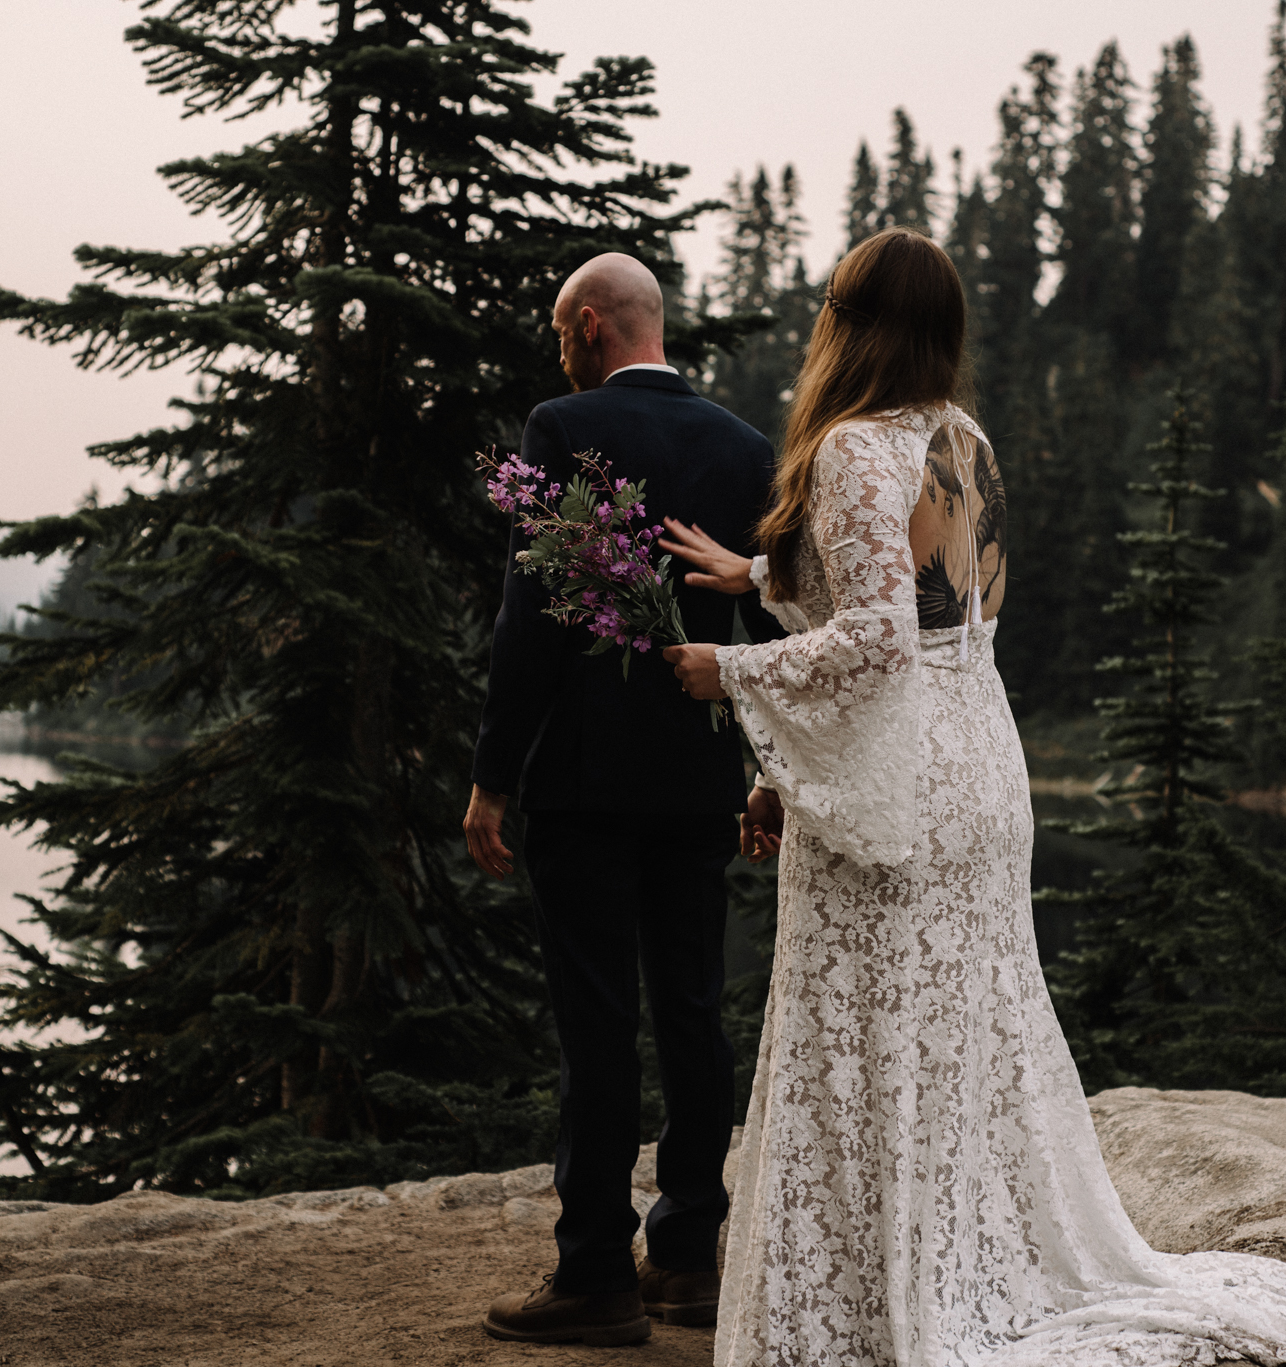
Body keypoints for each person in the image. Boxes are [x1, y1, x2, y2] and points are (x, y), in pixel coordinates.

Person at [658, 228, 1286, 1367]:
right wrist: (762, 576)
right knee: (956, 1043)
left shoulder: (847, 449)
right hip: (982, 768)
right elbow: (931, 608)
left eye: (830, 306)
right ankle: (959, 1270)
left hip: (903, 792)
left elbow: (873, 640)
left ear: (851, 324)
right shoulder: (961, 438)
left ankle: (872, 1311)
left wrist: (731, 672)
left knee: (865, 1045)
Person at [466, 252, 782, 1347]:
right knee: (692, 1006)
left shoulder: (558, 427)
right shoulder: (744, 447)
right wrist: (766, 767)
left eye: (563, 328)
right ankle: (689, 1256)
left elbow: (530, 620)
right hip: (699, 776)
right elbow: (767, 626)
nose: (559, 348)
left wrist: (492, 774)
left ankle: (595, 1272)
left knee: (597, 1023)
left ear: (592, 324)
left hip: (587, 786)